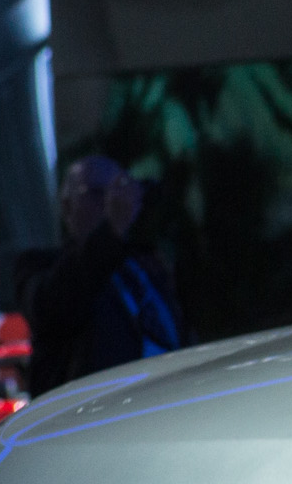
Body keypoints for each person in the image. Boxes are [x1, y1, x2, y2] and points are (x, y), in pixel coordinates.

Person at [26, 156, 182, 391]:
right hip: (99, 410)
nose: (113, 204)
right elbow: (55, 305)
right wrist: (112, 230)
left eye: (121, 193)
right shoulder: (39, 265)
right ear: (67, 205)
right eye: (100, 193)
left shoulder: (144, 263)